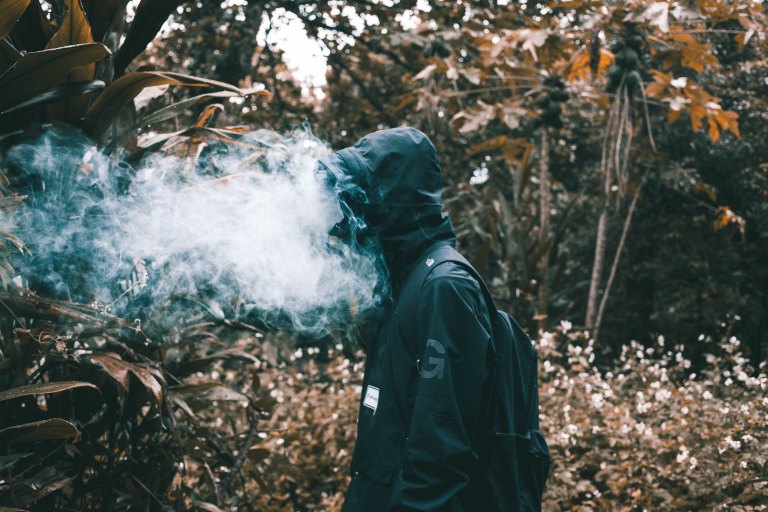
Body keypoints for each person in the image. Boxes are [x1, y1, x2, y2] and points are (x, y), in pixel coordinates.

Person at [328, 126, 495, 512]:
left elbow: (440, 454)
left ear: (393, 198)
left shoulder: (444, 287)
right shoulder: (403, 283)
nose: (354, 210)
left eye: (362, 195)